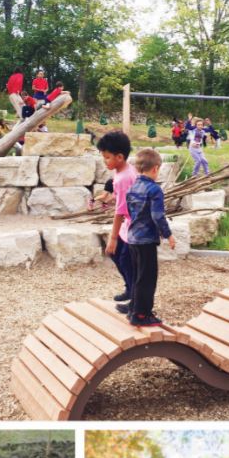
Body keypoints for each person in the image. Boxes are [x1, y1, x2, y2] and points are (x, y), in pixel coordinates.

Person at [123, 148, 176, 327]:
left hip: (132, 238)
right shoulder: (154, 189)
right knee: (148, 278)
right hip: (146, 240)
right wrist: (168, 235)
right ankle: (142, 315)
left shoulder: (132, 187)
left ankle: (133, 309)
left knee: (138, 276)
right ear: (155, 168)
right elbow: (157, 216)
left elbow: (129, 212)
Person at [98, 131, 136, 311]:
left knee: (126, 260)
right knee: (116, 254)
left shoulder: (123, 178)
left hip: (132, 225)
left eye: (107, 157)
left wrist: (113, 238)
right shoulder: (125, 171)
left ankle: (135, 300)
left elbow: (120, 212)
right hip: (128, 224)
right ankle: (130, 288)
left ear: (119, 157)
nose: (105, 161)